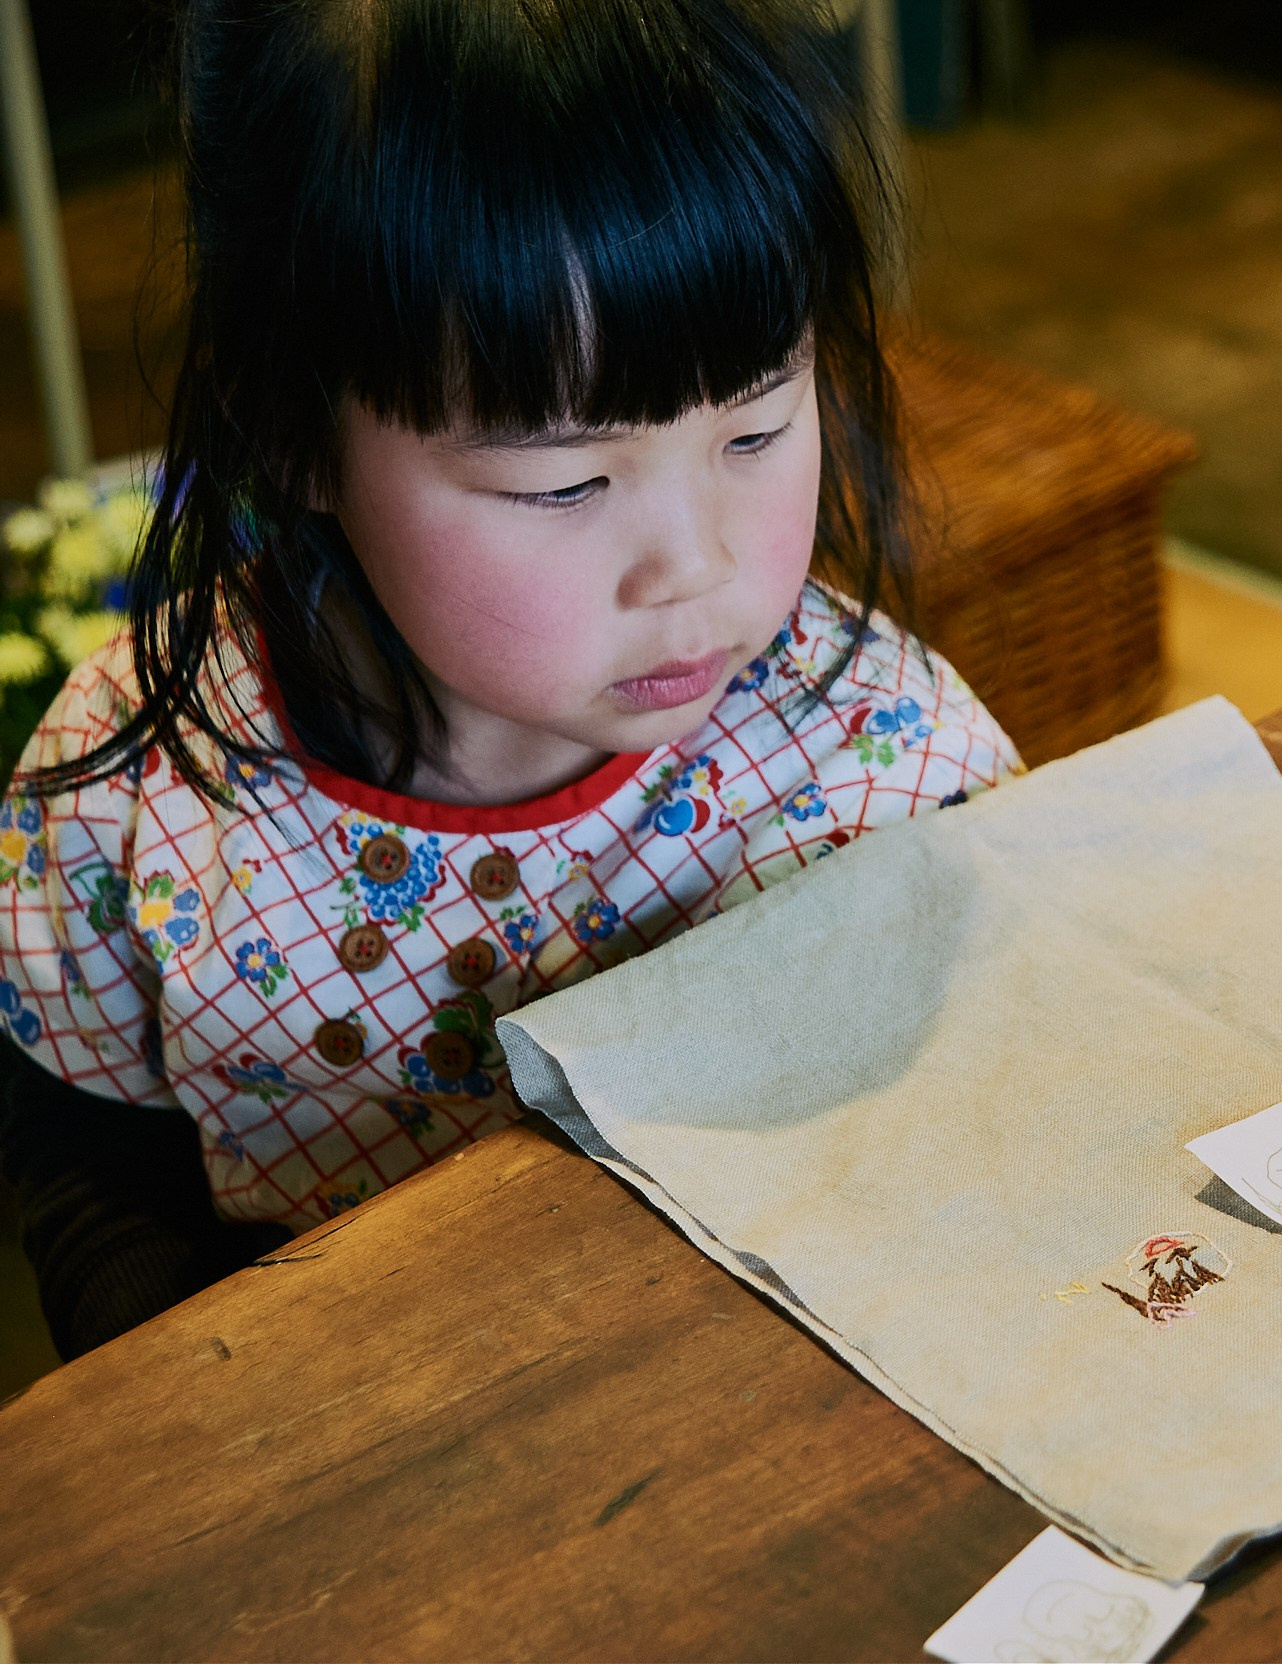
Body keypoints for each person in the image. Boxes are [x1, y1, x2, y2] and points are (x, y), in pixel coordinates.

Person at [0, 0, 1018, 1360]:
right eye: (567, 481)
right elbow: (86, 1156)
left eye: (759, 426)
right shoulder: (136, 801)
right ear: (289, 429)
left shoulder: (882, 768)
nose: (695, 565)